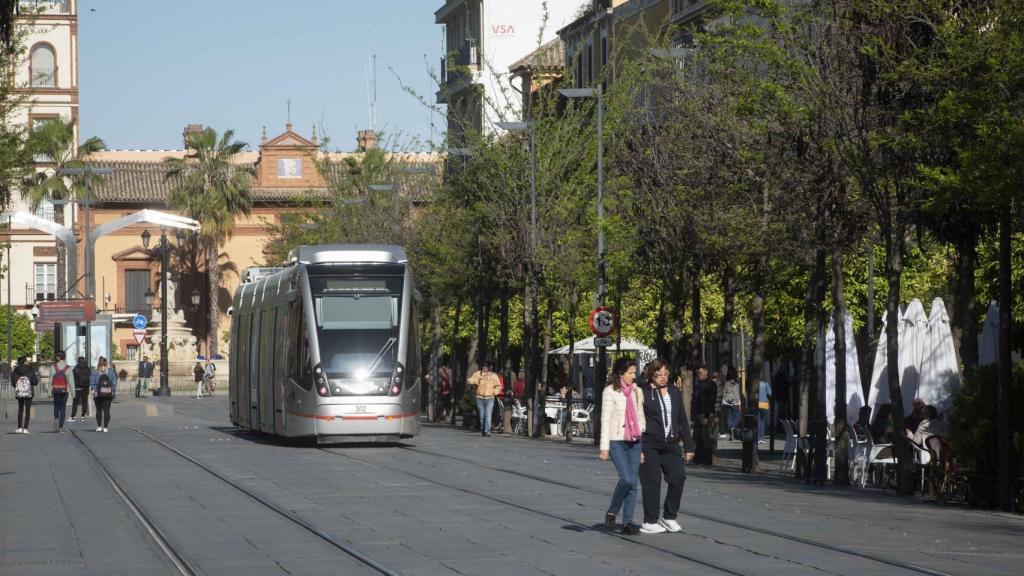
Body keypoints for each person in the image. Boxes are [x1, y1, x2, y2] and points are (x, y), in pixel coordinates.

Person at [638, 359, 695, 534]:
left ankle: (669, 516)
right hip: (649, 444)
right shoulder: (643, 392)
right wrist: (638, 447)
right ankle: (650, 520)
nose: (663, 377)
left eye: (666, 373)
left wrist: (689, 446)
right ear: (651, 375)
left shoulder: (673, 391)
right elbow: (636, 419)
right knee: (652, 480)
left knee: (678, 477)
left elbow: (682, 419)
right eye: (659, 374)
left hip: (670, 444)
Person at [599, 356, 645, 535]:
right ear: (621, 374)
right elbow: (605, 419)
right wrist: (604, 447)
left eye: (635, 372)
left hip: (635, 441)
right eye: (631, 373)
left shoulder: (637, 391)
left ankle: (628, 522)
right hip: (617, 440)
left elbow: (641, 416)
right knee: (626, 478)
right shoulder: (609, 391)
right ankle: (612, 511)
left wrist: (642, 443)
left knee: (633, 482)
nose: (634, 376)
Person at [468, 360, 502, 437]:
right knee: (482, 415)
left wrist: (495, 392)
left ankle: (488, 431)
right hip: (479, 398)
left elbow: (498, 386)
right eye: (484, 366)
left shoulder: (493, 376)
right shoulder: (478, 374)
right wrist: (477, 380)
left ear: (489, 368)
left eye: (486, 367)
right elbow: (469, 380)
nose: (485, 368)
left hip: (490, 398)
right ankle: (483, 429)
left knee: (488, 415)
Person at [692, 366, 716, 464]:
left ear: (706, 372)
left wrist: (707, 415)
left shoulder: (710, 384)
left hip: (705, 413)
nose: (699, 375)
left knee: (705, 437)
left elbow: (711, 400)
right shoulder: (699, 384)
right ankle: (699, 457)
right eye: (698, 373)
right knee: (698, 436)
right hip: (699, 412)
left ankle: (707, 459)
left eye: (700, 373)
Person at [11, 356, 38, 434]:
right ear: (25, 361)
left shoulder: (15, 370)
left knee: (20, 409)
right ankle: (25, 428)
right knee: (28, 410)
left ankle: (19, 428)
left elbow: (13, 383)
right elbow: (35, 381)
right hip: (29, 392)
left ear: (18, 362)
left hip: (20, 392)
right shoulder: (30, 369)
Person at [91, 356, 117, 432]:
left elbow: (92, 383)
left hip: (98, 394)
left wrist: (96, 390)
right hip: (108, 394)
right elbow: (114, 382)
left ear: (98, 362)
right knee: (107, 410)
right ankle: (105, 427)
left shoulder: (95, 371)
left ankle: (99, 426)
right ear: (106, 362)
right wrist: (112, 390)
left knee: (98, 410)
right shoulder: (111, 371)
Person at [51, 351, 74, 433]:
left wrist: (49, 392)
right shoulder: (68, 368)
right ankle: (61, 427)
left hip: (56, 390)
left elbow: (51, 380)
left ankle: (56, 423)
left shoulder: (54, 367)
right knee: (63, 408)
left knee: (56, 407)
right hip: (65, 390)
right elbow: (71, 382)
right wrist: (73, 393)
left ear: (58, 357)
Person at [721, 366, 741, 439]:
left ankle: (730, 430)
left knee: (729, 417)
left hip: (726, 402)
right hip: (734, 402)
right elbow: (736, 393)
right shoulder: (735, 382)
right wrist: (739, 402)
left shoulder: (726, 382)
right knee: (738, 417)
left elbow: (723, 392)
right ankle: (733, 427)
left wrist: (723, 400)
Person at [70, 356, 91, 422]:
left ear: (78, 361)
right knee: (84, 402)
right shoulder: (88, 369)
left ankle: (73, 416)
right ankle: (83, 416)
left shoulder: (76, 369)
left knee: (75, 402)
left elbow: (73, 379)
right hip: (85, 388)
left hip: (77, 388)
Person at [757, 378, 773, 444]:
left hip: (757, 403)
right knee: (762, 421)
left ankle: (758, 438)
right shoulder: (766, 384)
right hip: (765, 404)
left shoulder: (756, 384)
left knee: (758, 421)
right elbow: (770, 393)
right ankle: (762, 438)